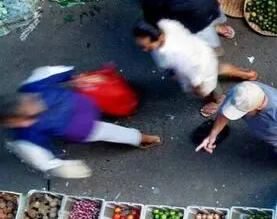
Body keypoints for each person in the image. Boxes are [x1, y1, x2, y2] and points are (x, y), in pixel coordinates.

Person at [1, 66, 160, 179]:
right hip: (82, 127)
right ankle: (140, 138)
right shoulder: (27, 137)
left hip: (83, 105)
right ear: (17, 121)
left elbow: (53, 71)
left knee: (107, 118)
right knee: (109, 132)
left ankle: (137, 137)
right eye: (29, 112)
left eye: (31, 100)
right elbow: (44, 162)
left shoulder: (31, 87)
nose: (36, 103)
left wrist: (74, 77)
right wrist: (65, 168)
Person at [133, 20, 257, 117]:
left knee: (211, 87)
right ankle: (245, 74)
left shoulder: (176, 55)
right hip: (202, 51)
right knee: (216, 67)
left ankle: (218, 100)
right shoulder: (165, 24)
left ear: (159, 37)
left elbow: (195, 79)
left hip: (199, 70)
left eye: (147, 46)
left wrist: (200, 91)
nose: (145, 50)